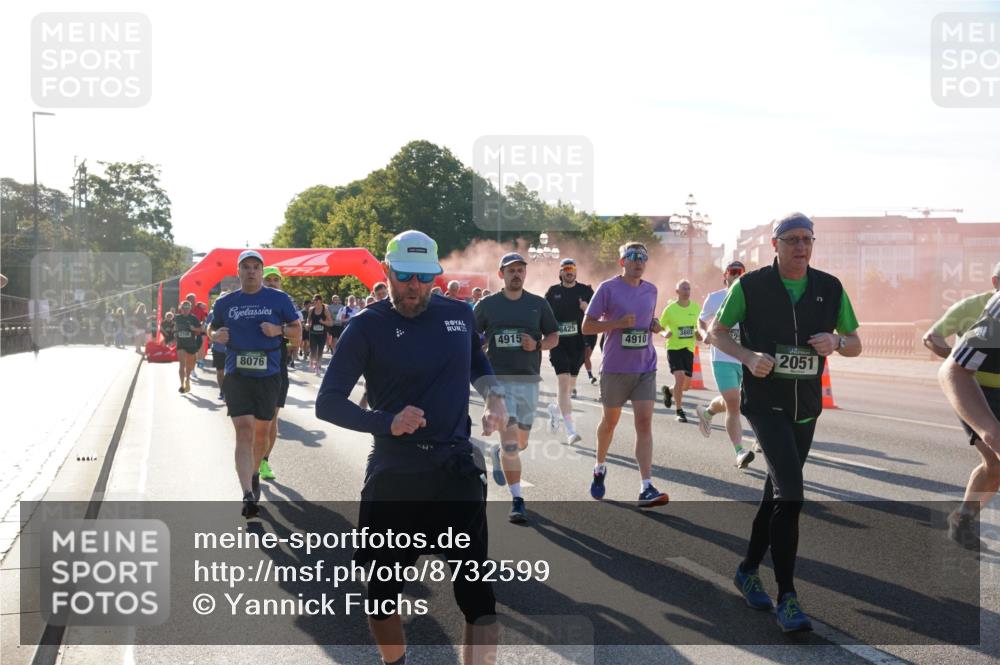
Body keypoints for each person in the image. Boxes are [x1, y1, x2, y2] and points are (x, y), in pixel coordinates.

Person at [316, 230, 506, 665]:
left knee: (477, 591)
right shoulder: (367, 325)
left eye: (424, 277)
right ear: (387, 271)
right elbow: (327, 403)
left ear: (435, 275)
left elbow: (479, 364)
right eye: (404, 277)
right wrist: (387, 422)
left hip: (455, 469)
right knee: (383, 592)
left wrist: (495, 398)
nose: (414, 287)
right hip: (396, 473)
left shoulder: (460, 314)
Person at [709, 212, 861, 633]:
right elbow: (716, 333)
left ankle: (747, 569)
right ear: (774, 244)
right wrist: (748, 356)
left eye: (807, 239)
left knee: (774, 494)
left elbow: (856, 343)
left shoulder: (829, 288)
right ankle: (788, 596)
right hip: (764, 403)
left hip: (806, 408)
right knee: (792, 493)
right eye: (792, 239)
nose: (801, 246)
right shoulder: (750, 285)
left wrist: (837, 342)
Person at [210, 250, 301, 518]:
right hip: (237, 374)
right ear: (238, 272)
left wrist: (279, 331)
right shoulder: (226, 303)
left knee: (262, 432)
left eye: (255, 267)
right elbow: (211, 329)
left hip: (269, 374)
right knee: (244, 431)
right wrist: (215, 334)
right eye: (246, 267)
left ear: (262, 272)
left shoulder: (279, 299)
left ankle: (254, 472)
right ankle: (247, 493)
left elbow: (298, 332)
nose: (251, 271)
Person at [582, 242, 668, 508]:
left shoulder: (651, 290)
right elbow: (586, 327)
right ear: (622, 262)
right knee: (610, 422)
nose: (638, 261)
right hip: (615, 368)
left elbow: (650, 322)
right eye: (632, 257)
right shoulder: (608, 288)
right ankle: (599, 467)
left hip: (645, 367)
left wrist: (655, 326)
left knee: (644, 424)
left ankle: (646, 486)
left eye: (642, 257)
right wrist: (617, 324)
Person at [475, 252, 559, 523]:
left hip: (528, 380)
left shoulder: (538, 304)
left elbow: (554, 337)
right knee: (511, 442)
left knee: (520, 442)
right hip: (498, 382)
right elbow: (470, 336)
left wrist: (537, 345)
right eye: (511, 270)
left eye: (520, 270)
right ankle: (517, 499)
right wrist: (477, 348)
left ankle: (500, 454)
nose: (516, 274)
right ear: (501, 274)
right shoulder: (488, 305)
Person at [937, 284, 1000, 549]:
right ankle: (964, 518)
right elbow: (953, 371)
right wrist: (992, 432)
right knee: (995, 464)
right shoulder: (992, 311)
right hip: (981, 392)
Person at [696, 261, 755, 468]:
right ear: (726, 276)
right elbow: (701, 320)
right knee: (733, 402)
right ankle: (739, 452)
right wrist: (704, 333)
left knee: (743, 400)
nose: (737, 275)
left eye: (741, 272)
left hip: (746, 357)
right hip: (722, 357)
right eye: (733, 272)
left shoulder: (752, 297)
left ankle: (707, 412)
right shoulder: (715, 298)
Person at [544, 257, 594, 445]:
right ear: (560, 272)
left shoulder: (586, 291)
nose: (569, 271)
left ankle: (555, 410)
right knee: (563, 385)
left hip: (578, 344)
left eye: (572, 268)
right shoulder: (553, 292)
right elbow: (543, 313)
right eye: (565, 268)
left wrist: (586, 308)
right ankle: (571, 430)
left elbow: (599, 314)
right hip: (558, 344)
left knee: (569, 387)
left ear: (576, 271)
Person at [260, 267, 301, 482]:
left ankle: (264, 460)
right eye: (269, 279)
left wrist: (282, 333)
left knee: (271, 418)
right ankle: (251, 456)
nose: (273, 283)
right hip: (249, 370)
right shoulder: (249, 302)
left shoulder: (284, 304)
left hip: (277, 366)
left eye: (277, 280)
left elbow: (297, 332)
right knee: (252, 420)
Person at [923, 261, 1000, 359]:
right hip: (968, 374)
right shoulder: (969, 306)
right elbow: (931, 338)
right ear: (995, 282)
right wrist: (956, 360)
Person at [658, 280, 702, 422]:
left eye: (688, 288)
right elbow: (659, 326)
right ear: (677, 291)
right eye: (683, 288)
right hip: (674, 348)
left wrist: (699, 333)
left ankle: (669, 391)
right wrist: (665, 334)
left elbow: (698, 327)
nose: (686, 291)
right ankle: (679, 411)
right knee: (680, 378)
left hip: (689, 348)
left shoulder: (695, 308)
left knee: (686, 386)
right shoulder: (670, 309)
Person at [174, 301, 203, 393]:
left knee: (189, 365)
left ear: (190, 309)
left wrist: (193, 329)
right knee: (181, 364)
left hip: (190, 344)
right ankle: (182, 385)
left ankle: (188, 380)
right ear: (181, 309)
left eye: (187, 308)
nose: (185, 310)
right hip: (181, 343)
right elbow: (173, 328)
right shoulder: (177, 318)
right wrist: (174, 333)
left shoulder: (193, 318)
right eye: (184, 308)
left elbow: (200, 329)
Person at [204, 294, 228, 401]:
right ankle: (222, 391)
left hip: (232, 348)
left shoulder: (234, 312)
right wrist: (214, 335)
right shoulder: (212, 314)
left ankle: (230, 392)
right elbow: (207, 328)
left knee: (231, 372)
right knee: (220, 372)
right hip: (218, 348)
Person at [307, 295, 333, 376]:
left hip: (322, 334)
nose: (316, 302)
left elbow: (331, 323)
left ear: (321, 301)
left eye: (317, 300)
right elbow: (308, 319)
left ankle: (317, 367)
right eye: (314, 300)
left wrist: (323, 322)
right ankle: (312, 363)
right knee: (313, 350)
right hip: (313, 333)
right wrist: (308, 324)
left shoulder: (325, 310)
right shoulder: (311, 310)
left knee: (320, 350)